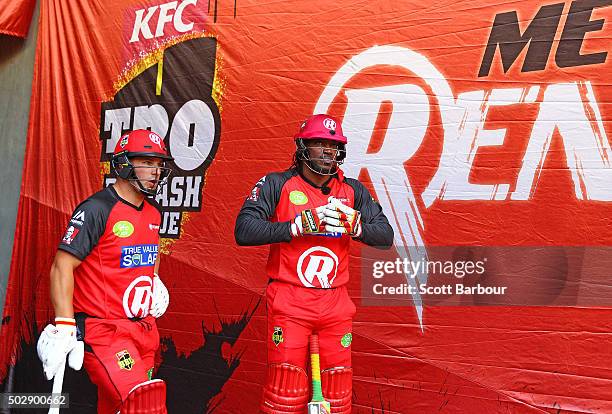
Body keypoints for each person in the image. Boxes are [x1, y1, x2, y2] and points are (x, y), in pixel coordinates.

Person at [235, 114, 394, 413]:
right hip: (290, 301)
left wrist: (355, 224)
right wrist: (294, 226)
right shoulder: (277, 183)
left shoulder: (353, 190)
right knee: (286, 390)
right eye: (319, 143)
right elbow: (243, 230)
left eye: (333, 146)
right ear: (302, 147)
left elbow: (385, 236)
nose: (326, 151)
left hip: (335, 303)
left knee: (337, 393)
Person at [37, 129, 173, 414]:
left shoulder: (153, 213)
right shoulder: (97, 208)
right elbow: (62, 265)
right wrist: (64, 324)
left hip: (144, 330)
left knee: (116, 408)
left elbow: (151, 252)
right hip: (105, 332)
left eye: (159, 164)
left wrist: (154, 279)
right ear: (123, 163)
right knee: (144, 405)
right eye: (147, 162)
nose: (155, 171)